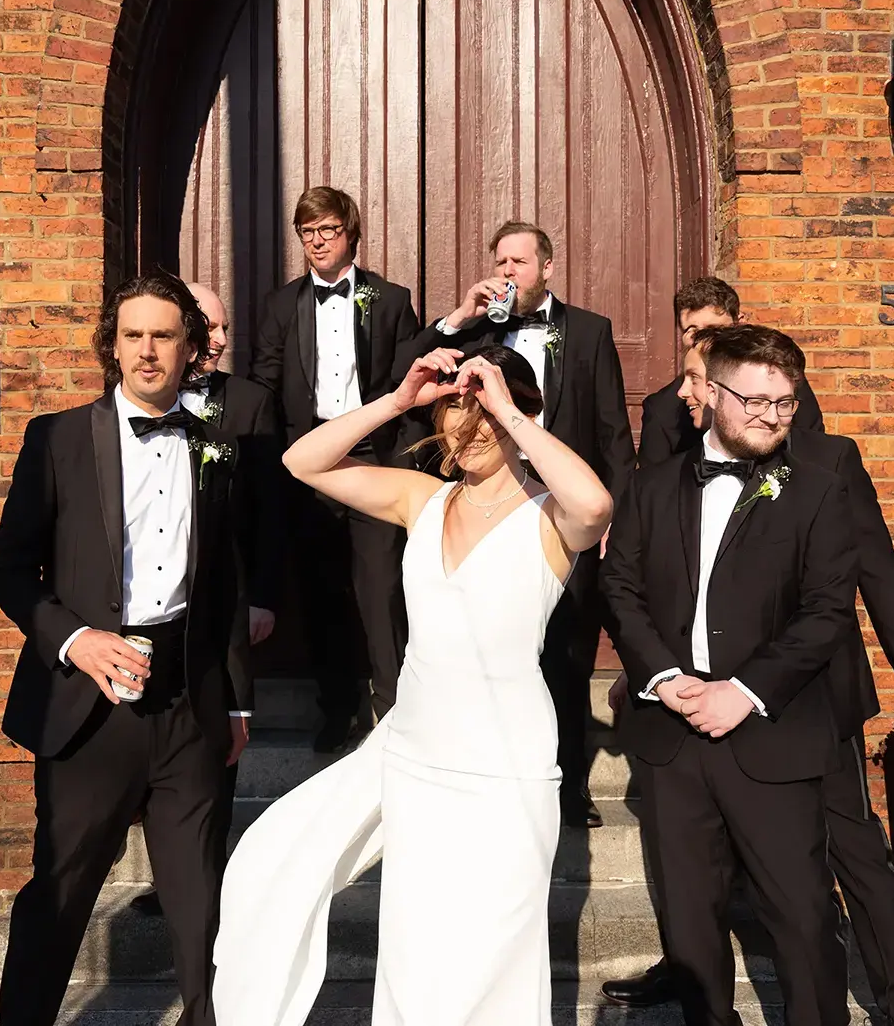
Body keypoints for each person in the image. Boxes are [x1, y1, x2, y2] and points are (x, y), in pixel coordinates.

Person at [213, 345, 613, 1026]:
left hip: (507, 769)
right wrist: (399, 400)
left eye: (484, 414)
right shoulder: (421, 497)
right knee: (409, 946)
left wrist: (508, 409)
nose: (471, 429)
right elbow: (301, 461)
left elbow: (597, 502)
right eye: (458, 414)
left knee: (496, 957)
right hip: (415, 759)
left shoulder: (551, 518)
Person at [602, 325, 894, 1024]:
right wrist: (663, 676)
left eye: (785, 403)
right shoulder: (652, 482)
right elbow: (619, 586)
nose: (770, 416)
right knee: (692, 923)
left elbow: (840, 600)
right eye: (755, 401)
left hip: (783, 723)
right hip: (671, 733)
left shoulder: (817, 483)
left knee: (805, 910)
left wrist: (745, 691)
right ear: (708, 391)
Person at [0, 273, 250, 1026]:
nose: (147, 350)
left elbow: (225, 581)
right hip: (87, 703)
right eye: (132, 335)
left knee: (198, 898)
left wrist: (235, 696)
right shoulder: (58, 438)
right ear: (112, 344)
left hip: (190, 702)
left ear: (189, 346)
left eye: (163, 334)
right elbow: (9, 570)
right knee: (61, 891)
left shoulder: (216, 448)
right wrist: (77, 640)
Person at [395, 220, 635, 827]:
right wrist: (456, 317)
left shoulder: (588, 331)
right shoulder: (474, 332)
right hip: (489, 500)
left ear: (546, 268)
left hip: (560, 511)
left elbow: (612, 432)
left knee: (569, 653)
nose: (507, 271)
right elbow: (402, 371)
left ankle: (569, 786)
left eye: (519, 262)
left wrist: (613, 519)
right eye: (500, 261)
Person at [131, 281, 285, 920]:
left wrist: (264, 597)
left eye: (223, 328)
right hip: (150, 618)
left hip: (227, 605)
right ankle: (170, 875)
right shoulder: (132, 405)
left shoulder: (249, 403)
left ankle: (206, 877)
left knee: (217, 742)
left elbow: (270, 511)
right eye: (209, 328)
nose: (220, 340)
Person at [250, 186, 421, 752]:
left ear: (350, 234)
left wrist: (406, 466)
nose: (317, 242)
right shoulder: (280, 306)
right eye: (307, 233)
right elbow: (265, 385)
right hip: (309, 469)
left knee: (379, 594)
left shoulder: (392, 300)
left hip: (372, 463)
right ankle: (337, 710)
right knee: (322, 597)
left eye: (327, 230)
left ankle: (394, 712)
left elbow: (406, 388)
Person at [637, 276, 822, 466]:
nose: (703, 341)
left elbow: (813, 453)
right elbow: (653, 487)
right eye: (692, 331)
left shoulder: (783, 383)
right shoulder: (662, 409)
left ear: (739, 322)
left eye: (713, 329)